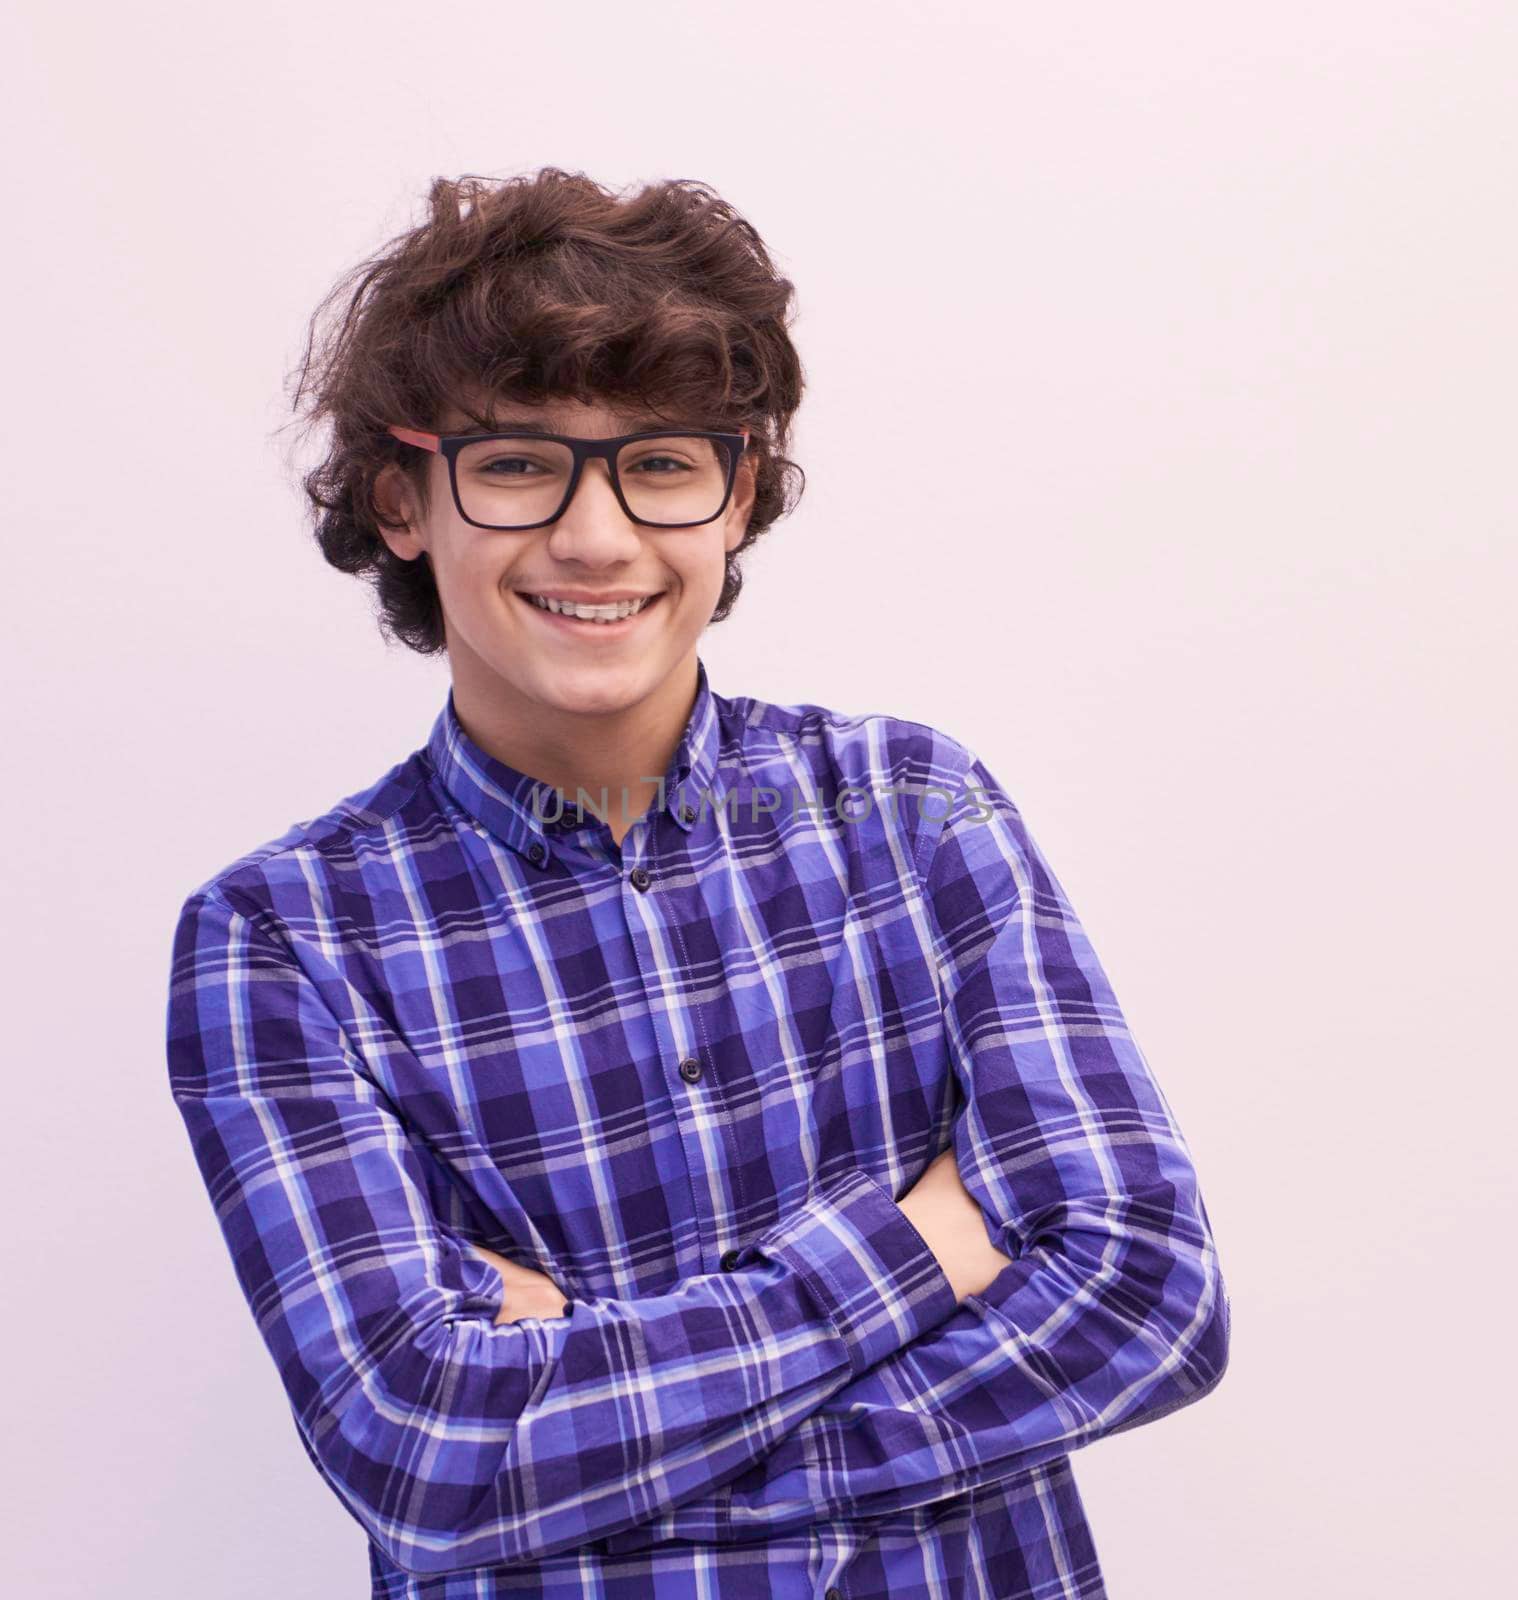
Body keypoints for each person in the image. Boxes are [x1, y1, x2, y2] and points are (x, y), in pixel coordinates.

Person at [164, 166, 1230, 1600]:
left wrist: (602, 1445)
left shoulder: (911, 813)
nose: (597, 537)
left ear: (738, 501)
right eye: (518, 462)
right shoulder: (281, 943)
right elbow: (425, 1457)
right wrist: (920, 1244)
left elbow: (1147, 1295)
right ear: (402, 500)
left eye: (661, 464)